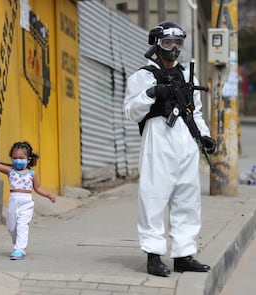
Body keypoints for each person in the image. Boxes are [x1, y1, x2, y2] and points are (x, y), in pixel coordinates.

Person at [124, 22, 217, 277]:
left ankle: (184, 255)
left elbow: (195, 112)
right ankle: (153, 255)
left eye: (178, 43)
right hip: (158, 140)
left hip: (186, 141)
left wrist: (205, 136)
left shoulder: (189, 76)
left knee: (188, 198)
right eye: (167, 43)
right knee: (153, 197)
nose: (173, 49)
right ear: (157, 44)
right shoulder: (143, 76)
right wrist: (152, 93)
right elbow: (131, 111)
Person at [0, 141, 56, 260]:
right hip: (13, 202)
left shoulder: (32, 174)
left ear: (28, 159)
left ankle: (20, 249)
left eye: (21, 158)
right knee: (12, 227)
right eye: (15, 158)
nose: (18, 160)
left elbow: (37, 188)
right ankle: (17, 244)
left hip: (26, 203)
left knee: (22, 225)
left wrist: (48, 195)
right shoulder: (10, 171)